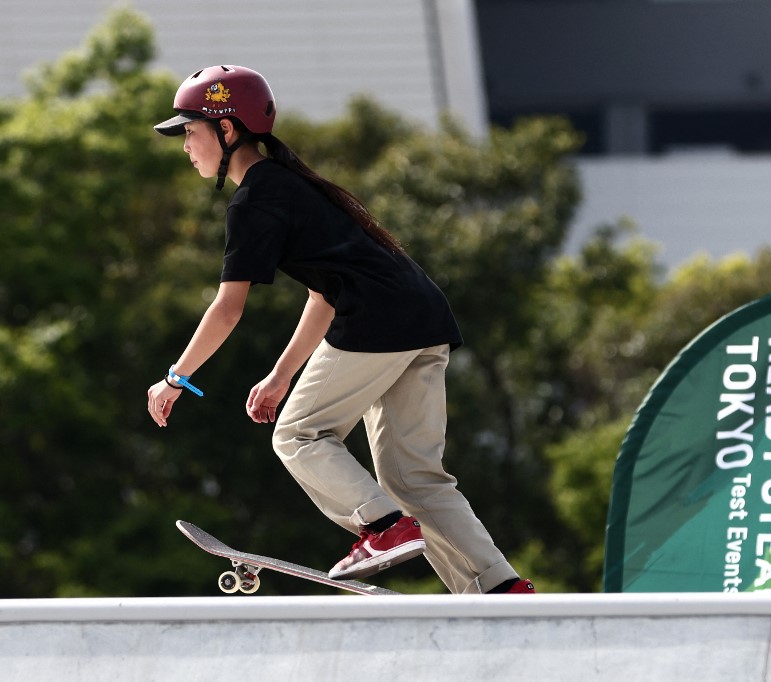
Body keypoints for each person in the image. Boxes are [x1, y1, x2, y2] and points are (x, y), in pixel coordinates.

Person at [146, 65, 534, 594]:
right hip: (423, 318)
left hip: (377, 322)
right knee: (415, 478)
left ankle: (381, 527)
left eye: (190, 131)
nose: (186, 145)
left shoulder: (257, 198)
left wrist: (176, 378)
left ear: (228, 130)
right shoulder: (296, 185)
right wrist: (282, 375)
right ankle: (500, 587)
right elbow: (322, 294)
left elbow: (228, 308)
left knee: (300, 434)